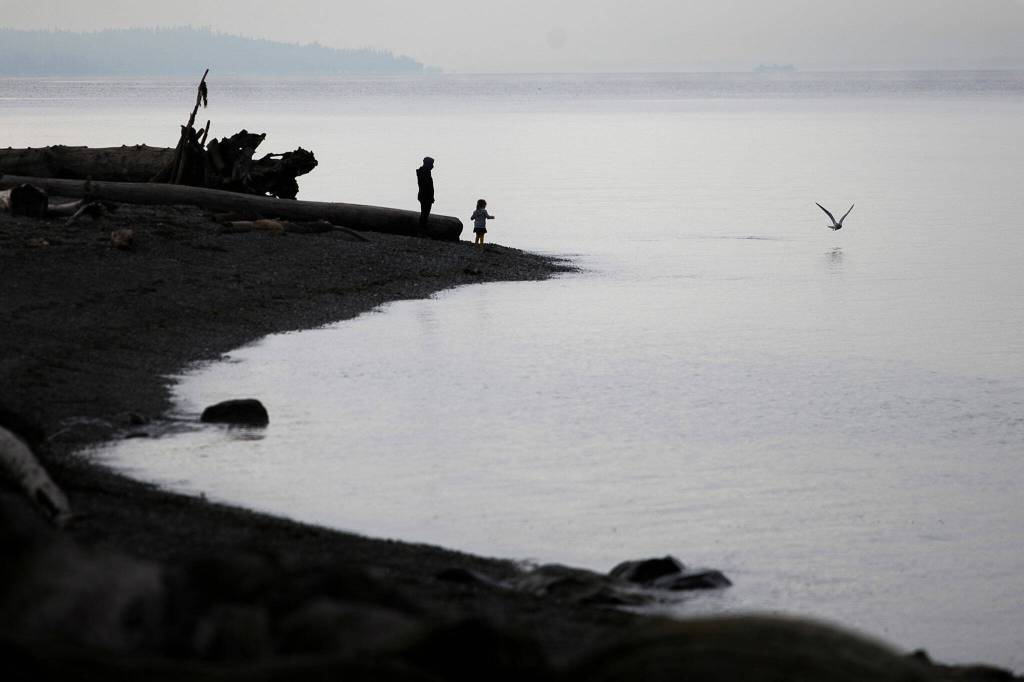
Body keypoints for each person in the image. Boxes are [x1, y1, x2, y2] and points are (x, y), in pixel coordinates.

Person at [416, 157, 435, 235]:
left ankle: (422, 230)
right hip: (426, 196)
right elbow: (427, 186)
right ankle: (421, 231)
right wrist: (431, 196)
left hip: (424, 195)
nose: (433, 166)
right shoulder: (425, 172)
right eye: (432, 164)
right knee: (425, 213)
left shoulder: (423, 171)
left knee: (424, 213)